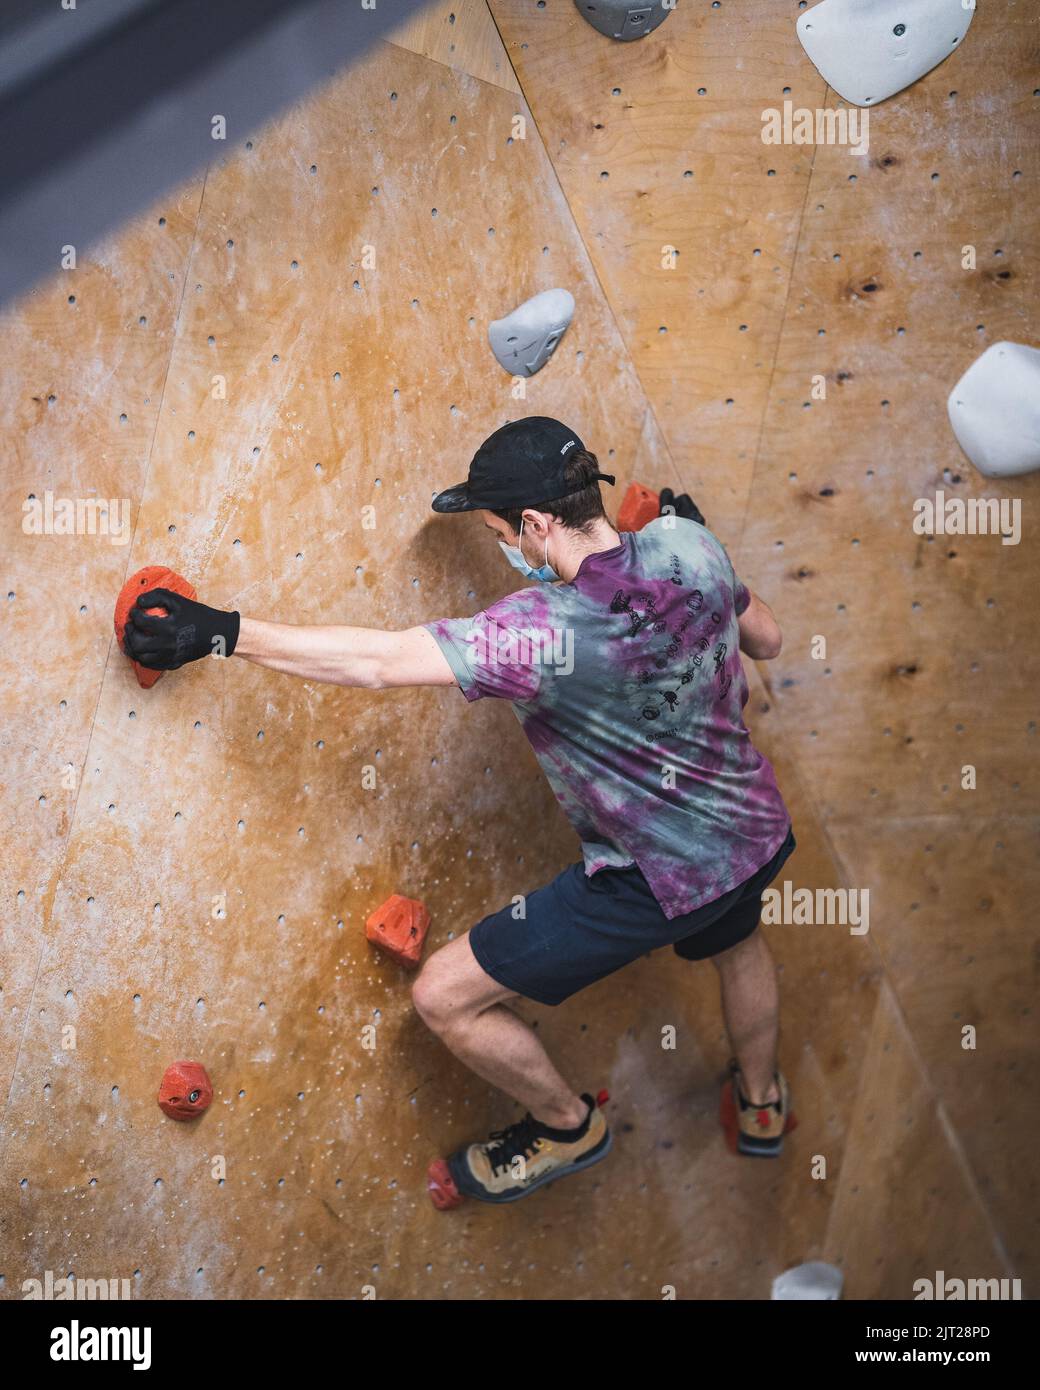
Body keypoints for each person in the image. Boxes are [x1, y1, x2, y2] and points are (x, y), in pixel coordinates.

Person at [123, 415, 795, 1204]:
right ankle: (762, 1107)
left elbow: (377, 663)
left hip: (652, 882)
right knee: (740, 945)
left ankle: (565, 1125)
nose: (503, 549)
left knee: (444, 995)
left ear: (536, 525)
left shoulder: (538, 632)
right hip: (753, 828)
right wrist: (697, 559)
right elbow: (771, 641)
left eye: (498, 533)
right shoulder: (691, 545)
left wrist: (222, 633)